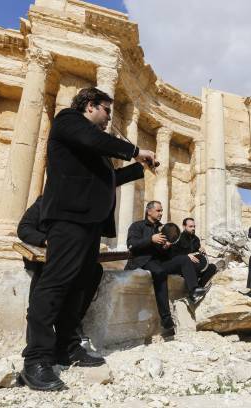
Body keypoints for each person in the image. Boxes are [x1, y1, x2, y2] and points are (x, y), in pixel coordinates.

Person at [20, 87, 156, 391]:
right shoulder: (68, 120)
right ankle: (36, 359)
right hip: (69, 217)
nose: (109, 118)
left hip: (88, 222)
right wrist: (135, 150)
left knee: (83, 281)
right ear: (90, 105)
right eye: (107, 111)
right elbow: (95, 139)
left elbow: (106, 179)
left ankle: (66, 346)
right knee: (54, 284)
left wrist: (137, 169)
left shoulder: (89, 146)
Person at [17, 195, 101, 353]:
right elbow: (24, 229)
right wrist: (47, 240)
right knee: (45, 279)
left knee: (94, 271)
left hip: (72, 257)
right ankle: (37, 341)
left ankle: (72, 328)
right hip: (45, 257)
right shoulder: (44, 202)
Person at [124, 201, 207, 337]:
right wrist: (151, 239)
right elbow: (132, 245)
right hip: (143, 260)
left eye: (161, 211)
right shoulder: (137, 226)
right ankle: (166, 320)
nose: (161, 213)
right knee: (159, 272)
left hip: (160, 261)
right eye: (158, 210)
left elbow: (168, 252)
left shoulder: (164, 228)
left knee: (184, 259)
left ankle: (194, 290)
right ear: (149, 211)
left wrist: (167, 247)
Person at [171, 217, 217, 287]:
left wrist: (202, 250)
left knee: (212, 267)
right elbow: (173, 255)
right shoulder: (178, 238)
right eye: (190, 226)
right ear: (184, 226)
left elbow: (197, 253)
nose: (193, 228)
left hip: (197, 266)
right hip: (185, 267)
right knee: (191, 266)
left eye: (194, 226)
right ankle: (194, 289)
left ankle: (199, 287)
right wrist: (186, 256)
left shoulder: (196, 239)